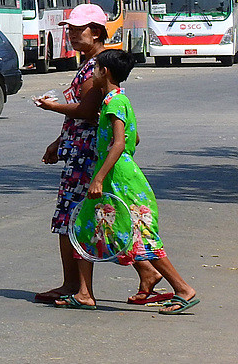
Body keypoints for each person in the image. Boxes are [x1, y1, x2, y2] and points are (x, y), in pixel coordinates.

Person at [31, 4, 163, 306]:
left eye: (80, 29)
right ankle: (144, 271)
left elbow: (88, 112)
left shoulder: (97, 68)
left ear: (97, 32)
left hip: (88, 156)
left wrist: (52, 107)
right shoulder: (92, 64)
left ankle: (76, 287)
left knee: (72, 218)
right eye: (71, 29)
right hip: (81, 150)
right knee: (100, 218)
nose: (73, 34)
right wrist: (58, 141)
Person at [68, 49, 200, 313]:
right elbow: (133, 138)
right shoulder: (118, 100)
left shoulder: (113, 103)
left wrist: (100, 177)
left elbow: (119, 144)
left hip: (119, 178)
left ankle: (183, 289)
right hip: (117, 173)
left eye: (95, 70)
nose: (92, 74)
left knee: (141, 236)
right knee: (86, 227)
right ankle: (84, 293)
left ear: (104, 72)